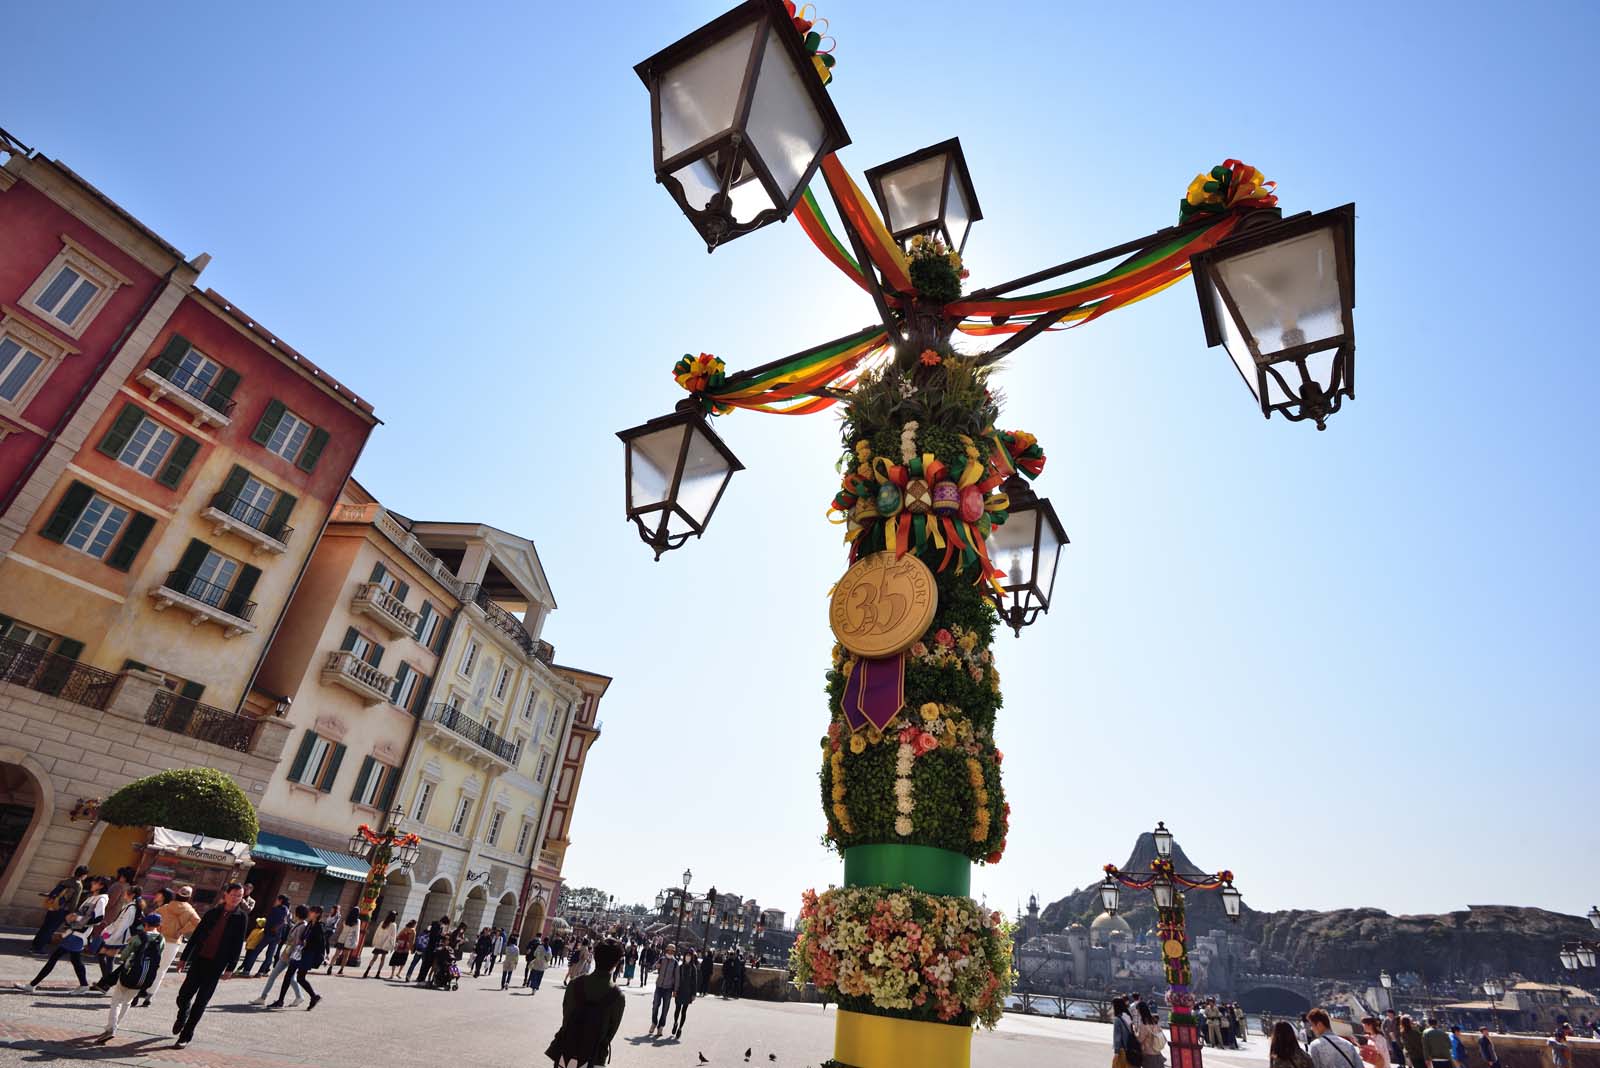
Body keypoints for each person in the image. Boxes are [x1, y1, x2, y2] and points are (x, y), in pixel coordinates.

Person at [172, 881, 249, 1049]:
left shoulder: (241, 917)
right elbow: (196, 935)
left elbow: (237, 944)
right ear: (226, 895)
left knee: (201, 1002)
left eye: (240, 896)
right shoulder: (213, 912)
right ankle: (182, 1014)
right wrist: (184, 958)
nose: (236, 898)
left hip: (217, 964)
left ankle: (186, 1035)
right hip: (199, 960)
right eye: (234, 894)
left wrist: (231, 967)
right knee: (183, 995)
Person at [16, 877, 105, 993]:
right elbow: (83, 914)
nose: (92, 883)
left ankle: (32, 985)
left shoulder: (102, 899)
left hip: (79, 934)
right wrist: (72, 918)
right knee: (75, 960)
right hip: (75, 932)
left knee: (56, 958)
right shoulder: (91, 897)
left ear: (101, 885)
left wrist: (77, 917)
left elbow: (98, 919)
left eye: (95, 882)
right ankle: (83, 985)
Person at [546, 939, 625, 1068]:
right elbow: (609, 1034)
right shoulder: (617, 996)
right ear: (616, 963)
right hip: (594, 1057)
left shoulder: (574, 984)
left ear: (594, 957)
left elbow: (566, 1015)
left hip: (566, 1051)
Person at [91, 912, 165, 1045]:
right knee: (127, 1002)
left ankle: (111, 1028)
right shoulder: (161, 939)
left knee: (116, 1001)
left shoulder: (138, 938)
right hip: (144, 976)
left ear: (146, 924)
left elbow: (125, 956)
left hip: (129, 972)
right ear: (158, 926)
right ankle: (114, 1026)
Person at [148, 885, 200, 1004]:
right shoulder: (190, 910)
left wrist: (159, 927)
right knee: (162, 969)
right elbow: (198, 923)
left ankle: (143, 989)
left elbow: (152, 917)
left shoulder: (166, 907)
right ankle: (150, 995)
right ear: (189, 897)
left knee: (151, 965)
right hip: (173, 941)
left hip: (158, 938)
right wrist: (182, 931)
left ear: (177, 894)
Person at [252, 905, 309, 1007]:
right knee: (290, 978)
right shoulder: (300, 924)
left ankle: (263, 997)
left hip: (290, 955)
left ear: (298, 913)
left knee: (278, 976)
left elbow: (296, 943)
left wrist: (289, 955)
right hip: (288, 954)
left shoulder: (302, 926)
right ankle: (299, 996)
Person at [273, 903, 327, 1010]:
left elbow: (321, 943)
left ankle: (314, 996)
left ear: (317, 914)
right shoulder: (310, 924)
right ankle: (280, 1000)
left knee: (301, 978)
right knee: (288, 975)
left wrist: (325, 956)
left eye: (311, 912)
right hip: (299, 953)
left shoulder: (319, 927)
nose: (309, 913)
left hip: (308, 955)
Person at [93, 882, 143, 986]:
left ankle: (106, 982)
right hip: (114, 935)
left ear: (132, 894)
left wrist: (110, 936)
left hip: (118, 937)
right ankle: (106, 981)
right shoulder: (129, 906)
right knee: (104, 956)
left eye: (127, 892)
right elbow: (118, 923)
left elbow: (123, 925)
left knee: (104, 956)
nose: (124, 894)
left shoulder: (131, 908)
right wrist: (106, 933)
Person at [32, 864, 89, 953]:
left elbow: (54, 892)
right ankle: (38, 948)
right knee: (51, 929)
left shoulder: (65, 880)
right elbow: (74, 901)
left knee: (45, 926)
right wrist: (71, 912)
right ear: (83, 875)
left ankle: (35, 945)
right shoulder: (78, 885)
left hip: (53, 906)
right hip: (62, 910)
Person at [244, 895, 291, 976]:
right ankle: (261, 972)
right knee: (269, 955)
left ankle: (247, 970)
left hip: (269, 934)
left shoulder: (276, 909)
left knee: (256, 951)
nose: (275, 901)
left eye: (277, 899)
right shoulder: (288, 912)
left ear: (280, 900)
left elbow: (269, 921)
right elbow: (286, 924)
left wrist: (267, 929)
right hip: (277, 936)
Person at [649, 943, 680, 1038]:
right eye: (668, 950)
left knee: (665, 1010)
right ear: (666, 950)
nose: (670, 952)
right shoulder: (662, 959)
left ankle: (660, 1027)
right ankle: (654, 1023)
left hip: (668, 989)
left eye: (672, 951)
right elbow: (653, 967)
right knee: (655, 1006)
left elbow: (677, 978)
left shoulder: (675, 963)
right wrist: (656, 966)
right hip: (659, 987)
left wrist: (675, 990)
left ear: (674, 952)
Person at [671, 947, 699, 1039]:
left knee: (684, 1011)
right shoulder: (680, 967)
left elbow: (694, 982)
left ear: (692, 957)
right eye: (687, 955)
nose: (688, 957)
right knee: (677, 1009)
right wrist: (674, 990)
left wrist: (694, 994)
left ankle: (680, 1028)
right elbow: (676, 980)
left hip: (688, 992)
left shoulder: (693, 968)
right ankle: (675, 1023)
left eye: (689, 956)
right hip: (679, 991)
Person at [364, 911, 397, 978]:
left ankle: (367, 971)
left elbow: (377, 932)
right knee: (382, 959)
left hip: (379, 943)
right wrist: (392, 946)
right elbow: (393, 936)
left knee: (374, 958)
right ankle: (378, 973)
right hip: (385, 944)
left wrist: (374, 941)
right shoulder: (393, 925)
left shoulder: (383, 922)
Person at [1137, 999, 1168, 1068]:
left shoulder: (1143, 1024)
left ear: (1140, 1011)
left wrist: (1135, 1035)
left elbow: (1140, 1039)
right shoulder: (1153, 1020)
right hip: (1158, 1052)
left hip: (1149, 1054)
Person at [334, 907, 363, 974]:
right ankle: (341, 970)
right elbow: (356, 932)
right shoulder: (357, 921)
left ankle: (330, 967)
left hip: (342, 938)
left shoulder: (346, 919)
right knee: (346, 956)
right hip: (349, 940)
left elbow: (344, 928)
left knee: (336, 954)